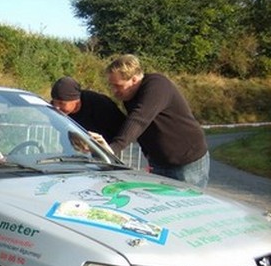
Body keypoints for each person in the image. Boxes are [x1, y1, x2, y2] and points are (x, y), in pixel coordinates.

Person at [94, 54, 209, 188]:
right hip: (158, 162)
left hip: (187, 161)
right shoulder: (129, 96)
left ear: (134, 79)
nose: (114, 91)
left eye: (118, 86)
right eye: (111, 85)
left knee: (189, 205)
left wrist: (114, 148)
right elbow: (136, 128)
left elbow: (139, 119)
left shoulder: (157, 85)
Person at [50, 76, 125, 143]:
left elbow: (122, 130)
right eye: (54, 102)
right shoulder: (54, 111)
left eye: (61, 103)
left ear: (76, 101)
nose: (56, 107)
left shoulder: (99, 104)